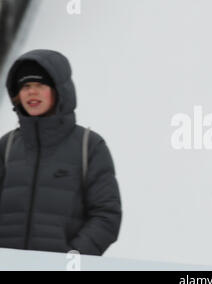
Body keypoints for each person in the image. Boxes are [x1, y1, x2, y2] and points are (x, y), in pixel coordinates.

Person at [0, 49, 122, 256]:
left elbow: (106, 215)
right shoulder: (7, 146)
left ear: (59, 90)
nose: (32, 92)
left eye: (40, 85)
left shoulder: (89, 146)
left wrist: (76, 254)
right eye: (26, 86)